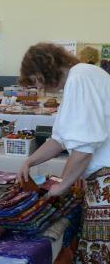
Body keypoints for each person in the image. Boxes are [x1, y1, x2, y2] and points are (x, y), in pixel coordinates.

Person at [17, 42, 110, 263]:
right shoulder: (77, 81)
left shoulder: (80, 77)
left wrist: (63, 184)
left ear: (45, 69)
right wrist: (29, 161)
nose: (39, 88)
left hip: (106, 181)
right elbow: (59, 139)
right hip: (100, 180)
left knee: (99, 254)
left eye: (37, 81)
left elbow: (84, 147)